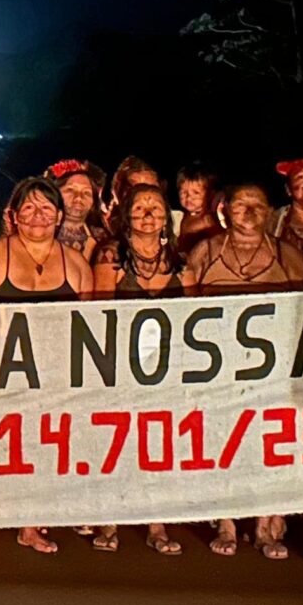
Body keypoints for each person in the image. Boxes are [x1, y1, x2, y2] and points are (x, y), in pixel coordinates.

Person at [185, 181, 303, 560]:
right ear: (225, 210)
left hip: (271, 372)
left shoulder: (286, 255)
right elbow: (184, 309)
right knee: (224, 441)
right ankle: (226, 520)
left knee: (268, 444)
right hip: (218, 370)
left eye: (258, 204)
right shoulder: (205, 251)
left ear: (271, 212)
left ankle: (264, 524)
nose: (250, 212)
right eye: (241, 204)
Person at [0, 175, 86, 554]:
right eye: (28, 207)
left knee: (43, 444)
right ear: (13, 216)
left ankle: (30, 523)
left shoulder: (75, 264)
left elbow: (93, 324)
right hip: (2, 369)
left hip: (54, 370)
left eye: (47, 207)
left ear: (60, 215)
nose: (38, 215)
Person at [91, 181, 184, 555]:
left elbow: (198, 316)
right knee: (118, 443)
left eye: (156, 208)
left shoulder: (181, 259)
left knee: (157, 445)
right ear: (126, 214)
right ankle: (109, 519)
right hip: (120, 367)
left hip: (166, 369)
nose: (148, 214)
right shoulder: (110, 257)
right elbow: (97, 315)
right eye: (140, 207)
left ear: (168, 217)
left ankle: (156, 524)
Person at [48, 158, 108, 265]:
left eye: (86, 193)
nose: (78, 198)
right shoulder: (36, 231)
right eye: (70, 190)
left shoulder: (103, 239)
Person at [174, 164, 221, 252]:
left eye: (196, 193)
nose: (188, 198)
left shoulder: (211, 218)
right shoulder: (181, 216)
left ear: (210, 193)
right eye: (183, 192)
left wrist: (205, 222)